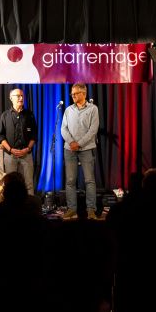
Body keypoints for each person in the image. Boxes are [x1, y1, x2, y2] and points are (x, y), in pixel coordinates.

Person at [61, 83, 100, 220]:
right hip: (69, 149)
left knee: (89, 180)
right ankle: (72, 209)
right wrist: (71, 142)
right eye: (72, 93)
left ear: (84, 94)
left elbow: (93, 130)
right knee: (70, 180)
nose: (73, 95)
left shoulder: (93, 109)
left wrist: (79, 143)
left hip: (86, 149)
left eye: (76, 93)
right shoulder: (68, 110)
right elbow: (63, 128)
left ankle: (91, 210)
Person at [0, 88, 38, 195]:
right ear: (11, 98)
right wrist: (10, 149)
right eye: (18, 96)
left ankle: (29, 204)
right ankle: (12, 205)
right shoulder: (5, 115)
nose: (21, 98)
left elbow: (34, 135)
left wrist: (27, 149)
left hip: (26, 155)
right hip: (10, 156)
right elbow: (1, 136)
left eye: (22, 96)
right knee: (11, 184)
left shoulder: (29, 115)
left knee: (29, 184)